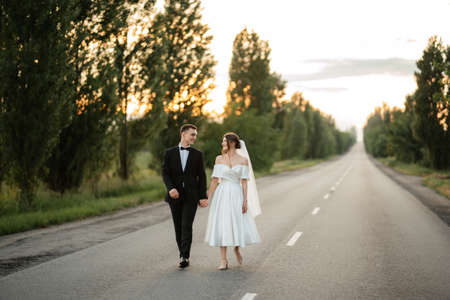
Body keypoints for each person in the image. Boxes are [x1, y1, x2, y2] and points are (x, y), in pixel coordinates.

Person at [204, 132, 261, 270]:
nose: (222, 143)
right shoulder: (219, 159)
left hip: (236, 193)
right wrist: (207, 197)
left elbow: (244, 183)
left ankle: (236, 248)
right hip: (222, 193)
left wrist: (245, 201)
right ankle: (223, 260)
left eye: (224, 141)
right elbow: (215, 180)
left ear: (232, 142)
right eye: (222, 141)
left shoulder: (243, 160)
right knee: (223, 223)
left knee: (236, 221)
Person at [162, 124, 208, 269]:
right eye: (192, 134)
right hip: (174, 196)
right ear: (183, 134)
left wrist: (203, 196)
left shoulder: (197, 154)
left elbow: (202, 176)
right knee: (178, 226)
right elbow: (165, 173)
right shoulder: (169, 153)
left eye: (195, 135)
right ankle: (182, 253)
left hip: (191, 196)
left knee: (187, 225)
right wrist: (171, 188)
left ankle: (184, 256)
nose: (195, 137)